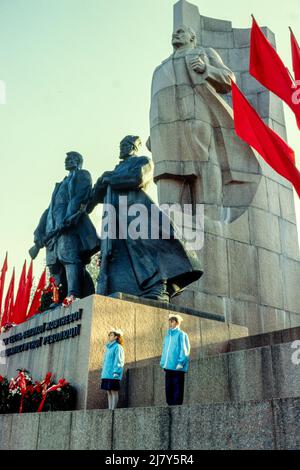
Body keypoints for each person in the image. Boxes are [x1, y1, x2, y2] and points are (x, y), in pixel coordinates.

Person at [149, 24, 261, 223]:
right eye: (174, 32)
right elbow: (155, 104)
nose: (175, 33)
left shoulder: (203, 53)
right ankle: (171, 225)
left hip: (198, 118)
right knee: (169, 173)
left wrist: (206, 69)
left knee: (205, 164)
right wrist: (154, 131)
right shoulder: (160, 68)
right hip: (167, 130)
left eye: (181, 31)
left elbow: (229, 79)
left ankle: (210, 219)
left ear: (193, 38)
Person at [87, 135, 203, 302]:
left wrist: (109, 179)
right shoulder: (112, 171)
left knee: (146, 250)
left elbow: (137, 178)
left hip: (137, 213)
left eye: (126, 145)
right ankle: (127, 289)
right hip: (114, 221)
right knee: (118, 258)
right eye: (121, 145)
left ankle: (157, 288)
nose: (122, 148)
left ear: (134, 147)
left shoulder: (142, 161)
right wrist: (101, 182)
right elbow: (94, 197)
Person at [29, 151, 99, 305]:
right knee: (54, 266)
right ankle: (57, 298)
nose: (67, 161)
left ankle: (72, 295)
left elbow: (80, 197)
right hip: (52, 229)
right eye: (66, 159)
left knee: (69, 260)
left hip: (68, 228)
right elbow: (49, 209)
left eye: (71, 158)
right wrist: (39, 231)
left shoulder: (82, 175)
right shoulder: (60, 184)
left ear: (79, 161)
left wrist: (69, 217)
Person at [160, 314, 190, 406]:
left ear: (177, 323)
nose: (170, 323)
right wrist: (162, 361)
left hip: (177, 367)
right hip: (168, 366)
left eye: (172, 321)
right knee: (169, 388)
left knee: (177, 388)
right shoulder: (167, 336)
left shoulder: (182, 334)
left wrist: (181, 362)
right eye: (170, 321)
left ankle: (177, 406)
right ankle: (170, 404)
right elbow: (164, 349)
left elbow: (184, 349)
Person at [100, 328, 125, 410]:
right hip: (106, 374)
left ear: (116, 337)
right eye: (109, 335)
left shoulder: (118, 347)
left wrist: (116, 372)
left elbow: (119, 360)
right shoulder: (108, 348)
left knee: (114, 391)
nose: (109, 336)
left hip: (113, 374)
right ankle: (109, 409)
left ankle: (113, 410)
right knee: (108, 391)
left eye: (111, 335)